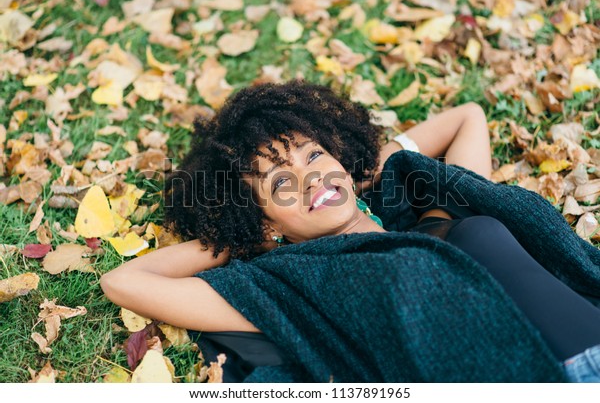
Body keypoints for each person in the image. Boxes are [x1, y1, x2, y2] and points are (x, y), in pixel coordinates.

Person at [100, 80, 600, 383]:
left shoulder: (422, 203)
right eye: (281, 184)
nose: (308, 176)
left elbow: (466, 118)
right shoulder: (287, 285)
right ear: (265, 221)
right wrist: (248, 235)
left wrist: (349, 173)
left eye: (313, 154)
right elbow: (124, 282)